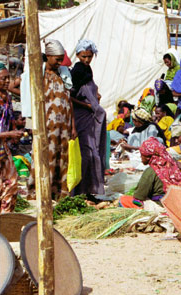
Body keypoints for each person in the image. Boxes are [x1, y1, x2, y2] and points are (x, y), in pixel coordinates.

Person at [25, 41, 75, 201]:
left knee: (62, 158)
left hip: (64, 127)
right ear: (48, 56)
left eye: (61, 59)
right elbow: (27, 95)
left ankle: (58, 193)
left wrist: (73, 126)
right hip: (46, 126)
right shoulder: (39, 75)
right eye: (57, 59)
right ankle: (39, 192)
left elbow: (69, 101)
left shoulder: (64, 74)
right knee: (45, 156)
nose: (60, 63)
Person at [70, 39, 107, 197]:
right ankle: (80, 190)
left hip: (90, 117)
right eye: (84, 56)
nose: (86, 59)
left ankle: (90, 189)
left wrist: (95, 96)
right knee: (86, 153)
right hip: (81, 117)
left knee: (94, 151)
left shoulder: (87, 70)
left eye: (89, 56)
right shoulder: (77, 72)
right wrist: (86, 105)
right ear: (78, 55)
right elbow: (69, 97)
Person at [118, 138, 181, 208]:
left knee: (123, 200)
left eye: (142, 155)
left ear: (148, 157)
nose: (140, 157)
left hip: (161, 205)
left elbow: (139, 196)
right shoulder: (172, 165)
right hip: (178, 203)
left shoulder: (151, 171)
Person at [0, 62, 23, 212]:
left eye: (8, 78)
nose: (8, 81)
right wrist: (9, 134)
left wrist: (15, 129)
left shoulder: (7, 98)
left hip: (3, 148)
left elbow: (9, 120)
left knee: (11, 183)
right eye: (4, 78)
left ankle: (5, 218)